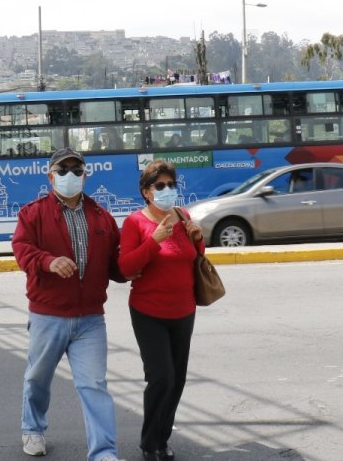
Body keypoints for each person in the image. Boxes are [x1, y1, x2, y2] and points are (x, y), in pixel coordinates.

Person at [12, 147, 126, 461]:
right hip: (48, 315)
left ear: (85, 175)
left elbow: (116, 266)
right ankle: (33, 429)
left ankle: (104, 452)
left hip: (90, 318)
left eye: (77, 170)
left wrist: (137, 263)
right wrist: (48, 262)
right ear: (50, 176)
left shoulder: (101, 216)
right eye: (63, 171)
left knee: (94, 386)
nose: (70, 176)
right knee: (37, 378)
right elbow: (22, 249)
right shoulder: (32, 214)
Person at [119, 160, 206, 461]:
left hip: (184, 309)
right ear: (146, 192)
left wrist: (197, 237)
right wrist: (154, 241)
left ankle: (162, 440)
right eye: (160, 186)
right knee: (162, 378)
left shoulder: (182, 216)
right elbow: (127, 267)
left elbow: (194, 258)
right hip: (149, 312)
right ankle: (148, 442)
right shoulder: (135, 223)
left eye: (171, 185)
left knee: (178, 379)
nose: (167, 190)